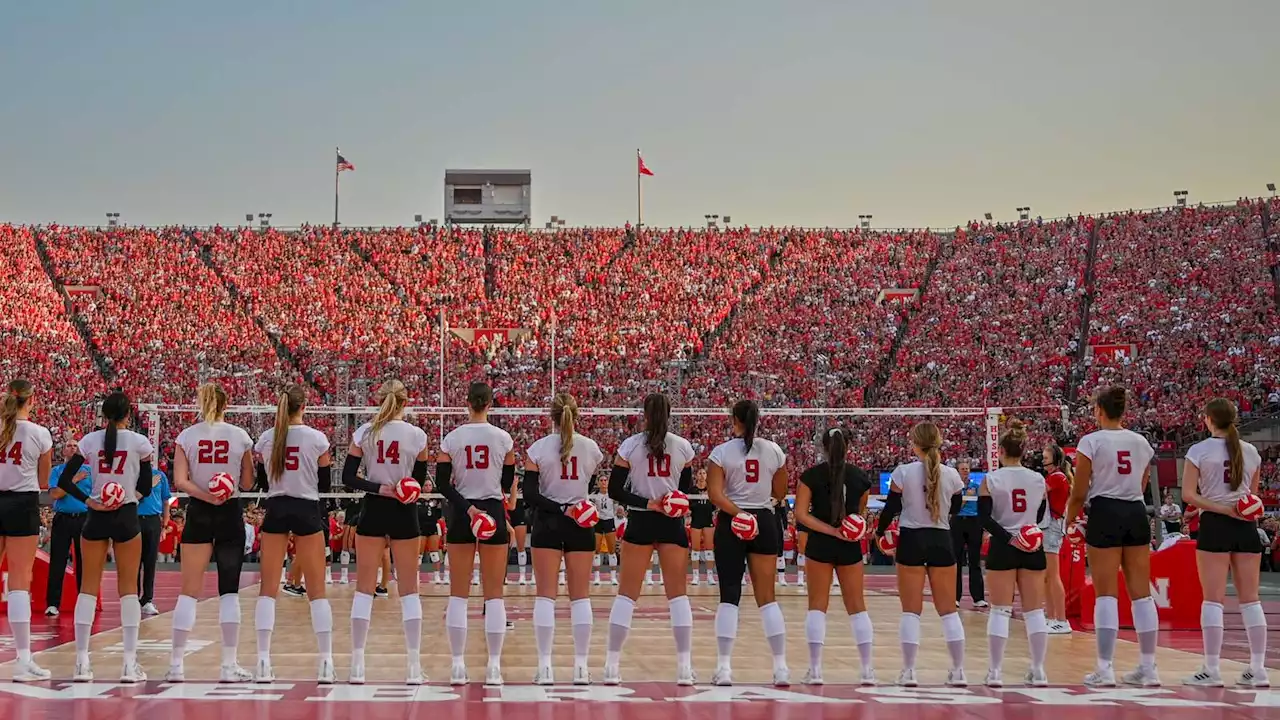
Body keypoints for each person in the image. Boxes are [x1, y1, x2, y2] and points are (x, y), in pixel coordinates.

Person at [1064, 386, 1159, 687]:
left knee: (1106, 594)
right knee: (1141, 594)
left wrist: (1070, 519)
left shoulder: (1090, 441)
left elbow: (1079, 491)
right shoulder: (1141, 442)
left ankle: (1105, 669)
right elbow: (1142, 481)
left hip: (1105, 510)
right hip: (1135, 511)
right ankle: (1148, 668)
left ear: (1099, 411)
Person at [58, 390, 154, 683]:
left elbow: (64, 481)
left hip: (96, 516)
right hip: (125, 515)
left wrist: (91, 502)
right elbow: (147, 486)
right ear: (128, 414)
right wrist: (128, 499)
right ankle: (128, 664)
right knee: (128, 589)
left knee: (87, 588)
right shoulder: (140, 443)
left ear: (104, 415)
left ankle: (81, 662)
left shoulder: (89, 440)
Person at [341, 379, 431, 684]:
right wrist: (406, 486)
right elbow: (418, 481)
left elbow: (347, 477)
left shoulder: (365, 432)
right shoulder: (417, 435)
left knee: (364, 589)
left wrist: (379, 486)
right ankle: (414, 667)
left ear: (381, 400)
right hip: (405, 511)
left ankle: (357, 665)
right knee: (409, 589)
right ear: (405, 402)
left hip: (374, 508)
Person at [604, 393, 697, 686]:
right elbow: (685, 489)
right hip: (672, 523)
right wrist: (668, 501)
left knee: (627, 595)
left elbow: (615, 490)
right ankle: (684, 667)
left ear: (644, 414)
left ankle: (611, 665)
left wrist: (647, 503)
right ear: (669, 414)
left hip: (641, 520)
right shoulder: (682, 446)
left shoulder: (630, 446)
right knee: (678, 596)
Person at [166, 382, 256, 682]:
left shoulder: (187, 436)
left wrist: (206, 495)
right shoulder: (240, 436)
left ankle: (176, 665)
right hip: (229, 510)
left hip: (200, 512)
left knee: (188, 592)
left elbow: (180, 481)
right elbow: (246, 484)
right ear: (226, 404)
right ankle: (229, 665)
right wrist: (223, 490)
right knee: (229, 591)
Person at [1181, 398, 1269, 688]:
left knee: (1213, 599)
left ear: (1208, 419)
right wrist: (1233, 508)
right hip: (1246, 527)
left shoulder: (1199, 450)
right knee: (1251, 600)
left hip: (1216, 526)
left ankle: (1211, 669)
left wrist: (1214, 507)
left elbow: (1188, 495)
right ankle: (1257, 669)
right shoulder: (1251, 451)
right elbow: (1251, 499)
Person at [252, 384, 335, 683]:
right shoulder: (317, 438)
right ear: (304, 406)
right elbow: (324, 484)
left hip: (277, 506)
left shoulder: (267, 437)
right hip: (307, 508)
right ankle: (326, 661)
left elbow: (262, 481)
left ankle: (262, 661)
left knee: (268, 590)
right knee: (317, 591)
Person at [706, 400, 792, 687]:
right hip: (764, 521)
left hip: (733, 522)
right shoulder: (774, 450)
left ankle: (724, 668)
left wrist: (740, 515)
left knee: (729, 595)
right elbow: (780, 491)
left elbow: (716, 495)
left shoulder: (722, 452)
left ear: (736, 420)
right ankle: (781, 668)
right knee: (767, 597)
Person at [436, 382, 516, 686]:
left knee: (458, 594)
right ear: (490, 404)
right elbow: (508, 480)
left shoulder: (452, 438)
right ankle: (493, 666)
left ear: (467, 403)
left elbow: (443, 484)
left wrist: (467, 509)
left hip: (461, 512)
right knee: (494, 595)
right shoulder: (503, 438)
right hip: (493, 510)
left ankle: (458, 665)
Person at [875, 421, 967, 687]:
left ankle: (909, 671)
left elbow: (891, 507)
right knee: (949, 611)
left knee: (911, 612)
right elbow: (957, 506)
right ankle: (959, 671)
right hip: (941, 538)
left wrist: (879, 533)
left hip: (912, 539)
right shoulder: (951, 474)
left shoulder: (903, 472)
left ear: (915, 444)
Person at [523, 393, 605, 685]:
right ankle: (581, 667)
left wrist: (560, 507)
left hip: (548, 521)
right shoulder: (591, 448)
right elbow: (590, 482)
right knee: (580, 596)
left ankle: (545, 666)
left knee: (546, 595)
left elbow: (530, 494)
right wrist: (573, 505)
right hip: (581, 523)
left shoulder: (538, 448)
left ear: (551, 416)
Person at [794, 427, 875, 686]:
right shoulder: (861, 477)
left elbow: (801, 514)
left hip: (820, 543)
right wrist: (850, 529)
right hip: (850, 545)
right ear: (848, 446)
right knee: (857, 606)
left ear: (823, 447)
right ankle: (867, 670)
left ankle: (815, 670)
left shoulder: (811, 476)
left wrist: (830, 529)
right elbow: (860, 512)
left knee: (817, 605)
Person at [978, 419, 1049, 687]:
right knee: (1034, 612)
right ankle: (1039, 670)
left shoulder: (991, 479)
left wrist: (1009, 537)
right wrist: (1025, 533)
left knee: (999, 610)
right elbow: (1040, 515)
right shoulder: (1038, 479)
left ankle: (995, 672)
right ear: (1023, 450)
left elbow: (984, 519)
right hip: (1032, 546)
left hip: (1004, 545)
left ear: (1001, 451)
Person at [0, 380, 54, 681]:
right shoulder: (39, 433)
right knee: (20, 580)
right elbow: (44, 479)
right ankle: (23, 660)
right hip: (22, 503)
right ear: (30, 400)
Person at [46, 441, 92, 617]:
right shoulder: (57, 471)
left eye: (75, 445)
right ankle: (52, 604)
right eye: (69, 445)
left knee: (84, 562)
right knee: (57, 561)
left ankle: (84, 602)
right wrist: (73, 480)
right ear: (63, 451)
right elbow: (55, 494)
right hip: (63, 518)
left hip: (85, 518)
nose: (72, 448)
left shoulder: (89, 471)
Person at [1041, 444, 1073, 634]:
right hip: (1049, 526)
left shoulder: (1056, 477)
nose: (1042, 460)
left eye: (1045, 458)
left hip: (1052, 526)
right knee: (1047, 576)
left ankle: (1061, 619)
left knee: (1052, 576)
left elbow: (1037, 494)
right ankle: (1052, 617)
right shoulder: (1055, 477)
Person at [136, 460, 172, 615]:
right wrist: (147, 485)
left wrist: (165, 520)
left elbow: (165, 500)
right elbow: (131, 496)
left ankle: (147, 599)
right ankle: (133, 598)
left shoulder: (160, 475)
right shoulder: (132, 474)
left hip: (152, 520)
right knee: (133, 562)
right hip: (134, 518)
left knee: (150, 562)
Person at [951, 460, 987, 607]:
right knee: (957, 561)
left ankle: (978, 597)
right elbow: (953, 508)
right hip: (958, 522)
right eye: (962, 469)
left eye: (967, 469)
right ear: (957, 471)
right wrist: (964, 501)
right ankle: (955, 597)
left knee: (974, 560)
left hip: (973, 522)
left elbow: (982, 506)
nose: (965, 471)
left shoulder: (976, 487)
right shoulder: (954, 488)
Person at [591, 476, 619, 586]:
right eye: (601, 480)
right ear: (598, 483)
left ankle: (613, 577)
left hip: (609, 521)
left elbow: (616, 510)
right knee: (596, 549)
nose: (603, 482)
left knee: (611, 550)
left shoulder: (612, 495)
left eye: (605, 480)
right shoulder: (593, 496)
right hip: (598, 521)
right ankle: (596, 577)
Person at [689, 471, 716, 586]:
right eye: (699, 473)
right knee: (695, 549)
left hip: (708, 521)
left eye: (704, 473)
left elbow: (714, 505)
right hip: (696, 520)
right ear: (696, 476)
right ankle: (696, 576)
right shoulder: (692, 490)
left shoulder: (710, 489)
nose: (702, 475)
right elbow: (689, 505)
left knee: (709, 549)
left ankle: (710, 575)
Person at [508, 472, 530, 585]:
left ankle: (522, 575)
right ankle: (503, 576)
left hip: (520, 513)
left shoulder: (524, 482)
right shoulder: (502, 479)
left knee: (521, 547)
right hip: (506, 512)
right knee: (505, 547)